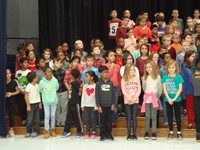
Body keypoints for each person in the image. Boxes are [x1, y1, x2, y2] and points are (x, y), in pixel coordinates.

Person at [162, 60, 184, 140]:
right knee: (169, 116)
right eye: (169, 68)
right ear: (167, 68)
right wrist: (169, 98)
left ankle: (179, 132)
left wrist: (174, 98)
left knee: (177, 116)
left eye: (173, 68)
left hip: (177, 99)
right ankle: (171, 132)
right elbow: (164, 89)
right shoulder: (165, 77)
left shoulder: (178, 77)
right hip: (168, 100)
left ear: (175, 68)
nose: (171, 69)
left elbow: (180, 89)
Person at [142, 60, 162, 140]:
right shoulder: (144, 77)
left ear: (153, 67)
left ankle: (154, 132)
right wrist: (147, 95)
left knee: (154, 116)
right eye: (146, 67)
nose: (148, 69)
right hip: (147, 99)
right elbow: (144, 88)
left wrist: (156, 97)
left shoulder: (158, 77)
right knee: (147, 116)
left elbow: (160, 89)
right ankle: (146, 131)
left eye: (150, 67)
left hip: (154, 99)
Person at [121, 63, 141, 141]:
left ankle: (134, 134)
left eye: (133, 70)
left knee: (134, 117)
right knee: (128, 117)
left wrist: (134, 98)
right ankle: (129, 133)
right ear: (127, 71)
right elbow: (123, 90)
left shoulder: (137, 79)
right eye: (131, 70)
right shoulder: (123, 79)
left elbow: (139, 89)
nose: (132, 71)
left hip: (135, 101)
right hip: (127, 101)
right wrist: (129, 98)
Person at [95, 66, 116, 141]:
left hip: (109, 105)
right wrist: (98, 105)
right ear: (100, 73)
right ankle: (103, 134)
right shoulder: (98, 83)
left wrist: (113, 103)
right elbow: (97, 95)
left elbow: (113, 94)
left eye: (107, 72)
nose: (107, 73)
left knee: (109, 120)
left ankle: (109, 134)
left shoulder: (110, 82)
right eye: (105, 72)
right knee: (102, 121)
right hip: (102, 106)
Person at [39, 67, 59, 139]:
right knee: (47, 116)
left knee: (53, 116)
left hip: (54, 101)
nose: (50, 73)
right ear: (44, 73)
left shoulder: (55, 81)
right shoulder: (42, 82)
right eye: (48, 72)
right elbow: (40, 91)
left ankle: (52, 129)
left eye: (51, 72)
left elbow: (57, 88)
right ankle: (46, 130)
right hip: (46, 102)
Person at [62, 69, 83, 138]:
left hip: (76, 103)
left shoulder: (76, 83)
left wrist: (80, 91)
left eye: (71, 74)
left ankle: (79, 131)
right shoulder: (72, 83)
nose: (70, 75)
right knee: (68, 117)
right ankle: (66, 130)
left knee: (77, 117)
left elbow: (80, 90)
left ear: (72, 76)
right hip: (70, 102)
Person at [104, 50, 121, 127]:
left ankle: (113, 121)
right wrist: (111, 68)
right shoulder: (105, 66)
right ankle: (108, 120)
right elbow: (106, 77)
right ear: (107, 57)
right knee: (108, 104)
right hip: (108, 87)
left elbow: (119, 78)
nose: (113, 57)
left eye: (114, 55)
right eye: (111, 55)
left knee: (115, 104)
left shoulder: (118, 66)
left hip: (116, 87)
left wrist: (120, 88)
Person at [81, 71, 98, 139]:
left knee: (93, 119)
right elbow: (83, 96)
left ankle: (94, 132)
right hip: (86, 105)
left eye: (87, 76)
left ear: (92, 77)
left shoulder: (96, 86)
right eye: (85, 76)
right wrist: (82, 105)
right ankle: (87, 132)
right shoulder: (85, 86)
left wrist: (96, 106)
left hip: (93, 105)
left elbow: (97, 97)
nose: (85, 78)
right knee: (87, 119)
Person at [25, 72, 42, 138]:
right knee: (29, 119)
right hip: (31, 105)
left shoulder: (37, 86)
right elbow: (26, 96)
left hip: (37, 104)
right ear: (34, 78)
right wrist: (28, 105)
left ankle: (36, 131)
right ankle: (28, 131)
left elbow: (39, 94)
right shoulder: (28, 86)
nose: (37, 77)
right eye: (36, 77)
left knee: (37, 119)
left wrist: (40, 102)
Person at [181, 50, 196, 129]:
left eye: (195, 56)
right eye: (192, 56)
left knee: (196, 107)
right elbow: (191, 77)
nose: (194, 58)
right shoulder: (184, 65)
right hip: (189, 89)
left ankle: (196, 121)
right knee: (189, 106)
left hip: (197, 90)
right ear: (187, 57)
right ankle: (190, 122)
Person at [15, 57, 31, 126]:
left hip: (28, 93)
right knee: (22, 106)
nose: (27, 64)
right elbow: (16, 83)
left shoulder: (29, 72)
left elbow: (31, 83)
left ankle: (29, 120)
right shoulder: (18, 72)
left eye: (27, 62)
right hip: (20, 93)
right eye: (25, 62)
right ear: (21, 64)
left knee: (28, 106)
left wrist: (26, 91)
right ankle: (23, 119)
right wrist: (20, 90)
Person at [53, 58, 68, 127]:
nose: (58, 64)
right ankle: (58, 121)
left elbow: (66, 81)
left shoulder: (64, 71)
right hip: (55, 92)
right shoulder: (52, 72)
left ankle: (63, 122)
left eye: (60, 63)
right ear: (53, 64)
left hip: (64, 91)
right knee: (57, 107)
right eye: (57, 63)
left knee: (64, 107)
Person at [6, 69, 20, 137]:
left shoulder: (13, 82)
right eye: (6, 74)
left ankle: (11, 129)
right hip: (4, 102)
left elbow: (18, 91)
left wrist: (11, 94)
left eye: (9, 73)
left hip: (11, 101)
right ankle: (4, 129)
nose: (8, 75)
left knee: (11, 115)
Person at [192, 57, 200, 142]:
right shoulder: (194, 70)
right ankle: (198, 132)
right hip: (197, 96)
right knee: (197, 115)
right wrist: (198, 50)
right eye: (198, 63)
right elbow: (194, 62)